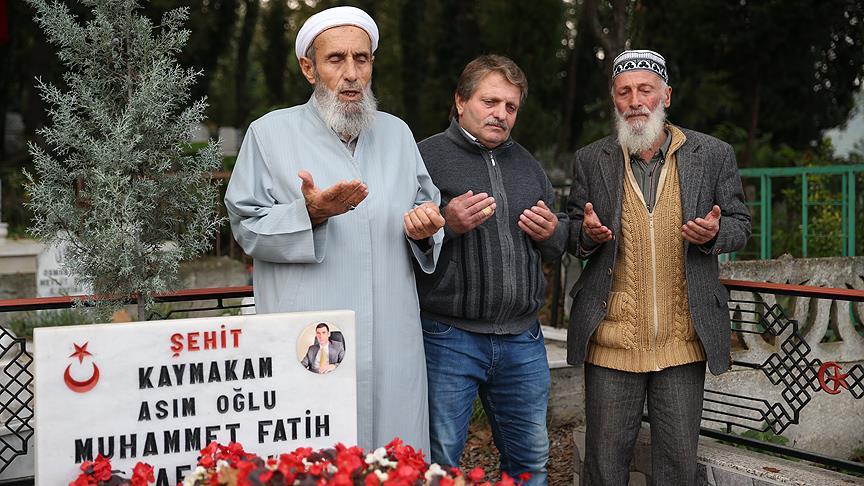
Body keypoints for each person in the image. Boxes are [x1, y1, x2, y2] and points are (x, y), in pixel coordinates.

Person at [224, 6, 445, 452]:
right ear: (309, 68)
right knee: (314, 457)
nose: (350, 74)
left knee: (395, 458)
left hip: (391, 337)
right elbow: (246, 227)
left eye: (361, 59)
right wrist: (310, 214)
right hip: (311, 335)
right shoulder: (268, 134)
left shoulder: (398, 134)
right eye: (335, 60)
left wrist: (425, 229)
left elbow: (427, 208)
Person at [565, 49, 752, 485]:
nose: (636, 100)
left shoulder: (712, 153)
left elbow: (741, 224)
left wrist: (713, 236)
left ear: (665, 94)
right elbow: (575, 230)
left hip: (682, 343)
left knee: (677, 471)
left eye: (645, 89)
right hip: (611, 344)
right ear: (614, 100)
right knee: (604, 470)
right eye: (624, 92)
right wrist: (588, 236)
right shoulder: (591, 159)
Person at [415, 55, 568, 485]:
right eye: (490, 101)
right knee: (440, 463)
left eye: (511, 107)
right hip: (449, 337)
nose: (501, 114)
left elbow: (554, 248)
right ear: (460, 101)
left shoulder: (528, 165)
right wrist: (447, 222)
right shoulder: (424, 157)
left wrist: (552, 233)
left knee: (530, 462)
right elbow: (402, 243)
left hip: (523, 339)